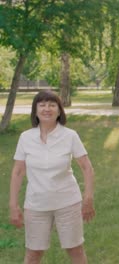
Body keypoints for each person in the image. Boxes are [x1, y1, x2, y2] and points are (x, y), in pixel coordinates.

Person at [9, 90, 95, 264]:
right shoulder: (25, 138)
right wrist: (13, 205)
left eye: (51, 105)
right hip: (36, 205)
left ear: (59, 110)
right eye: (42, 105)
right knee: (33, 253)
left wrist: (88, 198)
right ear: (35, 110)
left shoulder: (70, 135)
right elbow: (18, 171)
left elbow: (87, 167)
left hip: (67, 202)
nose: (46, 109)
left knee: (75, 249)